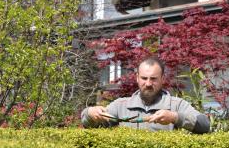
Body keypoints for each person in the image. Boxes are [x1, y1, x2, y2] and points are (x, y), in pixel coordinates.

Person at [81, 57, 210, 134]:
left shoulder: (176, 104)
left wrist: (175, 117)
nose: (148, 83)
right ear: (137, 78)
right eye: (144, 78)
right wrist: (90, 113)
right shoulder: (120, 105)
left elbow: (205, 125)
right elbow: (88, 124)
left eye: (153, 79)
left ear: (162, 79)